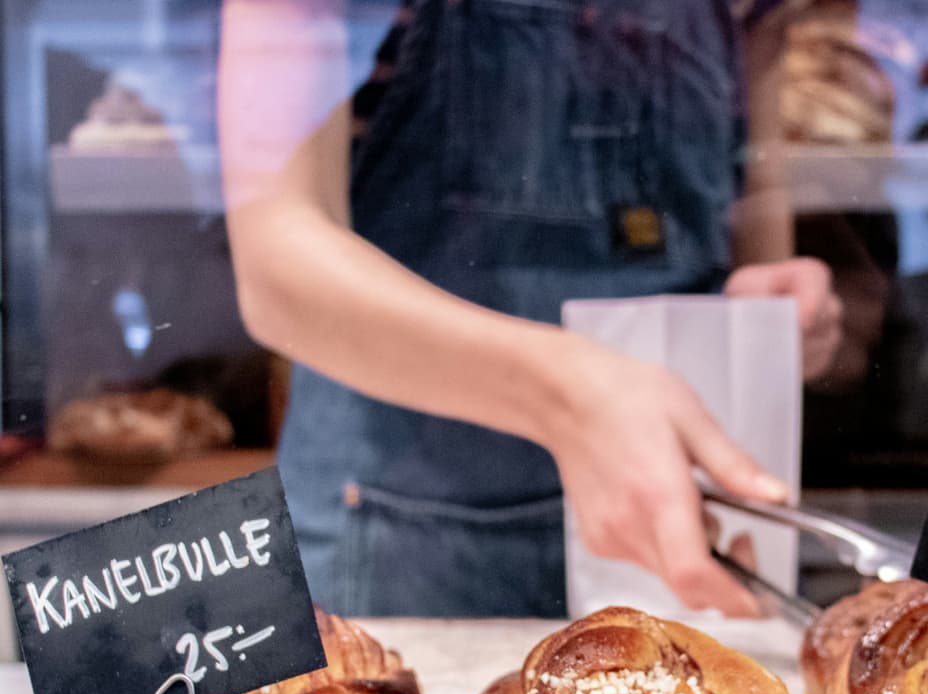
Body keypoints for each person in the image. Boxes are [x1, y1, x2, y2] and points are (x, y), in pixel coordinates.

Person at [218, 0, 847, 618]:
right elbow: (277, 271)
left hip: (676, 524)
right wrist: (566, 398)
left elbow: (753, 193)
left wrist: (770, 315)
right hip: (399, 531)